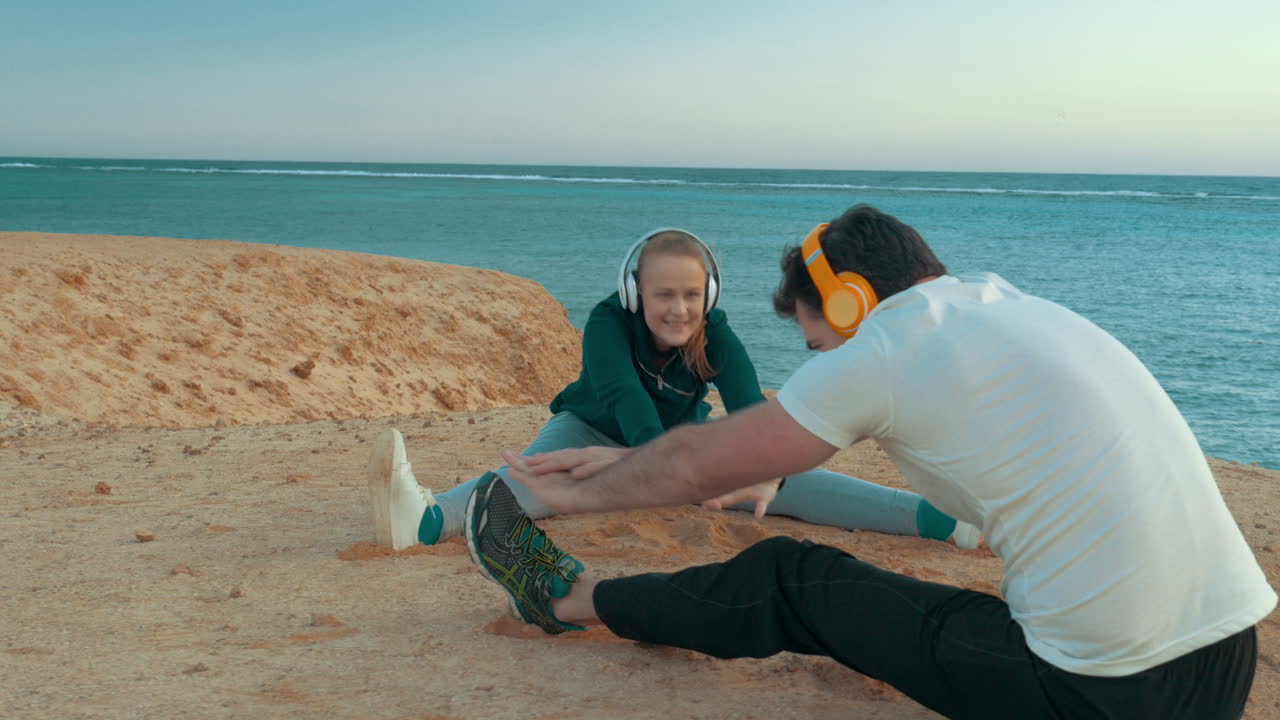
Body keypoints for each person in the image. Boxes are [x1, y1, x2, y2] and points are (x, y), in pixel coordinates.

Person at [464, 205, 1275, 719]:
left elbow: (701, 460)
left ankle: (567, 598)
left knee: (788, 577)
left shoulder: (891, 344)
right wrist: (759, 466)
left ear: (852, 302)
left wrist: (587, 491)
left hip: (1101, 693)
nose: (820, 362)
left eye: (818, 343)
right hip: (1227, 658)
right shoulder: (1005, 302)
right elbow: (755, 450)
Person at [369, 227, 977, 551]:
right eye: (663, 294)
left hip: (679, 447)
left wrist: (756, 467)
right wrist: (662, 469)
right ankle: (426, 521)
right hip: (592, 428)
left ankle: (943, 521)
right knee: (541, 477)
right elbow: (622, 397)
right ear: (637, 293)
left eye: (691, 295)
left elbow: (750, 412)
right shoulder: (609, 322)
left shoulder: (716, 332)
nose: (679, 308)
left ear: (708, 295)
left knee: (788, 482)